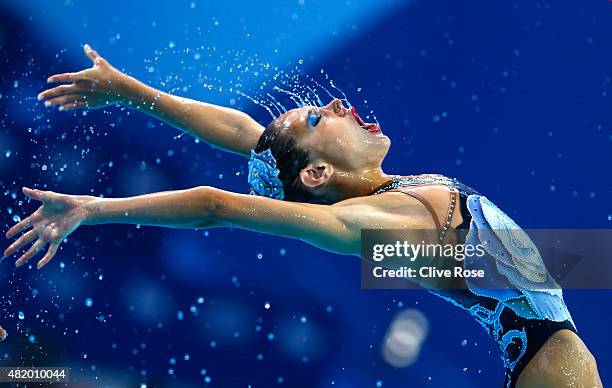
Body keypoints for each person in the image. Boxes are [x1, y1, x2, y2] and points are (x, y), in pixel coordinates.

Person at [4, 44, 603, 387]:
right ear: (318, 174)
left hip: (531, 334)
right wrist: (95, 207)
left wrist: (133, 90)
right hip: (551, 361)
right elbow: (217, 206)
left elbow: (251, 136)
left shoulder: (382, 194)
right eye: (320, 118)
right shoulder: (369, 224)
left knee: (557, 260)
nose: (338, 104)